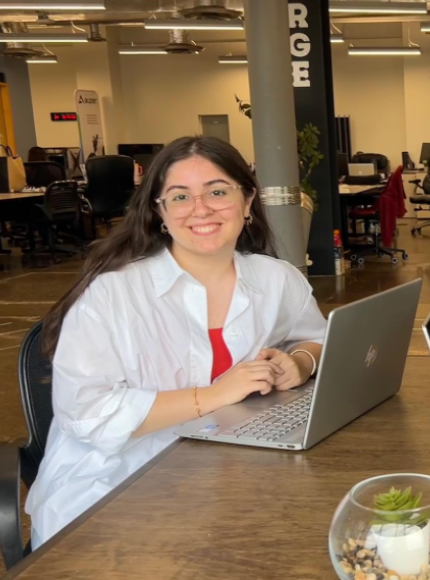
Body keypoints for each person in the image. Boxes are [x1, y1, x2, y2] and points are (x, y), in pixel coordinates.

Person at [26, 136, 328, 546]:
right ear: (160, 212)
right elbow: (86, 414)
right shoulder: (113, 293)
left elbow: (315, 337)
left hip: (237, 464)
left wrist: (301, 362)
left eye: (218, 191)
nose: (201, 209)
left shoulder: (276, 278)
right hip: (119, 482)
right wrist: (215, 394)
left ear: (247, 200)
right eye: (180, 196)